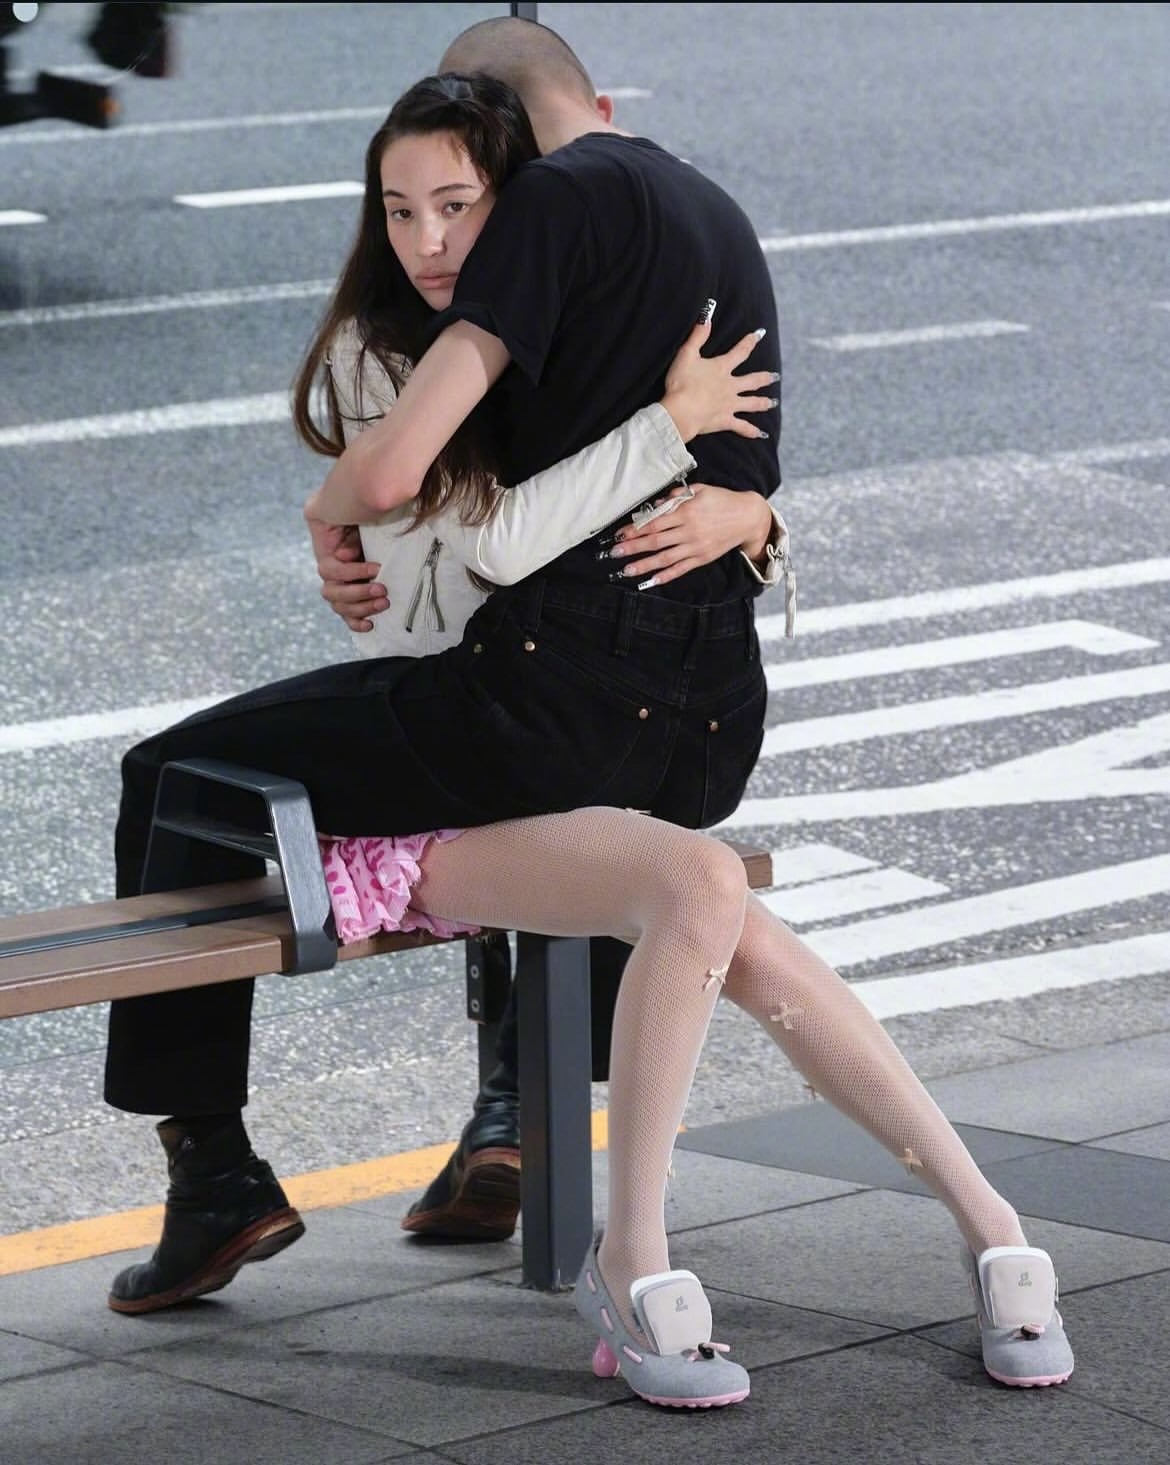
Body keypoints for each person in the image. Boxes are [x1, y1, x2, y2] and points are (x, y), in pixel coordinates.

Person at [101, 45, 1073, 1410]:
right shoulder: (395, 353)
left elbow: (613, 531)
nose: (430, 241)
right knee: (178, 773)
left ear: (516, 200)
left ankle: (978, 1229)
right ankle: (219, 1160)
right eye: (400, 209)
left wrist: (752, 510)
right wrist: (366, 502)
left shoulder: (542, 323)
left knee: (716, 906)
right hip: (453, 710)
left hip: (520, 722)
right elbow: (478, 551)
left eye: (459, 207)